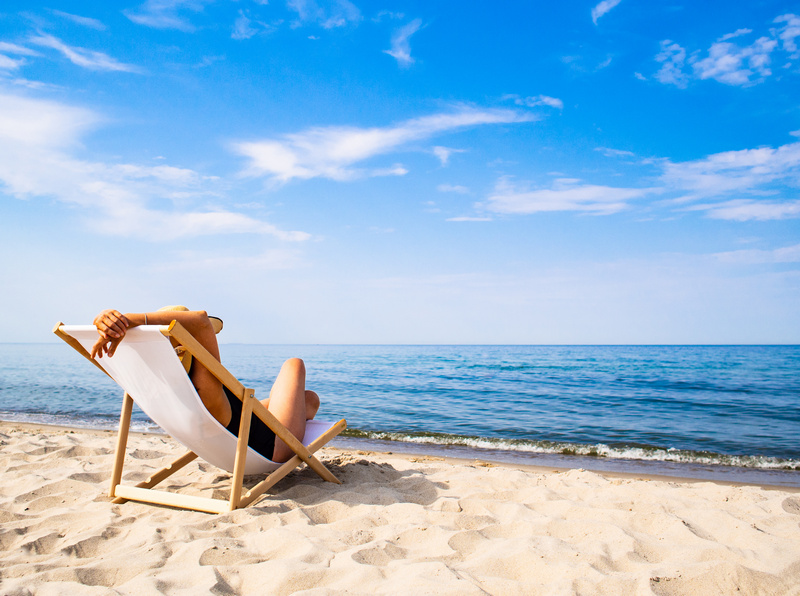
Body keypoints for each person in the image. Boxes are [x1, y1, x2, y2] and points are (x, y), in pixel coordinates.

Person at [90, 308, 319, 463]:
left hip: (234, 434)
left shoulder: (163, 386)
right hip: (275, 446)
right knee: (294, 364)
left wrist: (105, 318)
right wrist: (130, 319)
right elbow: (200, 320)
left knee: (309, 401)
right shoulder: (206, 390)